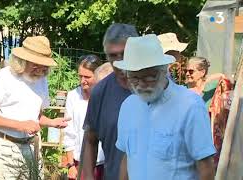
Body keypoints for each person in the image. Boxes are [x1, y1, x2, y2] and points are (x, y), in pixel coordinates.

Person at [114, 34, 216, 180]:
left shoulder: (190, 105)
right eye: (134, 78)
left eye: (148, 77)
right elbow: (127, 158)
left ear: (163, 71)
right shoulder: (128, 106)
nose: (141, 84)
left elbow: (205, 166)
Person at [0, 36, 70, 179]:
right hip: (2, 148)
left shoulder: (42, 81)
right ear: (22, 61)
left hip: (31, 147)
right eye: (36, 65)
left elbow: (36, 117)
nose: (40, 70)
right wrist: (21, 126)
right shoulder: (3, 77)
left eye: (44, 66)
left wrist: (52, 122)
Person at [81, 23, 139, 180]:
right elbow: (90, 140)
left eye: (125, 54)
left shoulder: (157, 86)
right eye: (113, 56)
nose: (119, 61)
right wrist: (87, 176)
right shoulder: (100, 92)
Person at [63, 55, 104, 180]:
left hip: (103, 164)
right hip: (79, 163)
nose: (82, 80)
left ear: (97, 76)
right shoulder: (73, 96)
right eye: (80, 76)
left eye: (87, 77)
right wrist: (70, 165)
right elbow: (69, 131)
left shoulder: (106, 96)